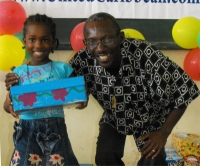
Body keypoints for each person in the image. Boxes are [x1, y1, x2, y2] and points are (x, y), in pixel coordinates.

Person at [5, 12, 200, 166]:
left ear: (120, 38)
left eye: (107, 39)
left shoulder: (145, 55)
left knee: (153, 157)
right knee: (105, 156)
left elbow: (184, 91)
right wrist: (16, 89)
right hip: (115, 116)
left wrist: (163, 133)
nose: (100, 48)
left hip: (150, 117)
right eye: (92, 41)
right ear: (85, 43)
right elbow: (68, 89)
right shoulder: (82, 60)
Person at [3, 14, 79, 166]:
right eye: (32, 39)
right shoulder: (18, 73)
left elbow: (78, 93)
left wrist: (82, 100)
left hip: (56, 130)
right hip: (27, 131)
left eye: (44, 40)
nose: (38, 45)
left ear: (53, 42)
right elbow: (8, 105)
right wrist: (9, 104)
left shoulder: (63, 69)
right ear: (24, 42)